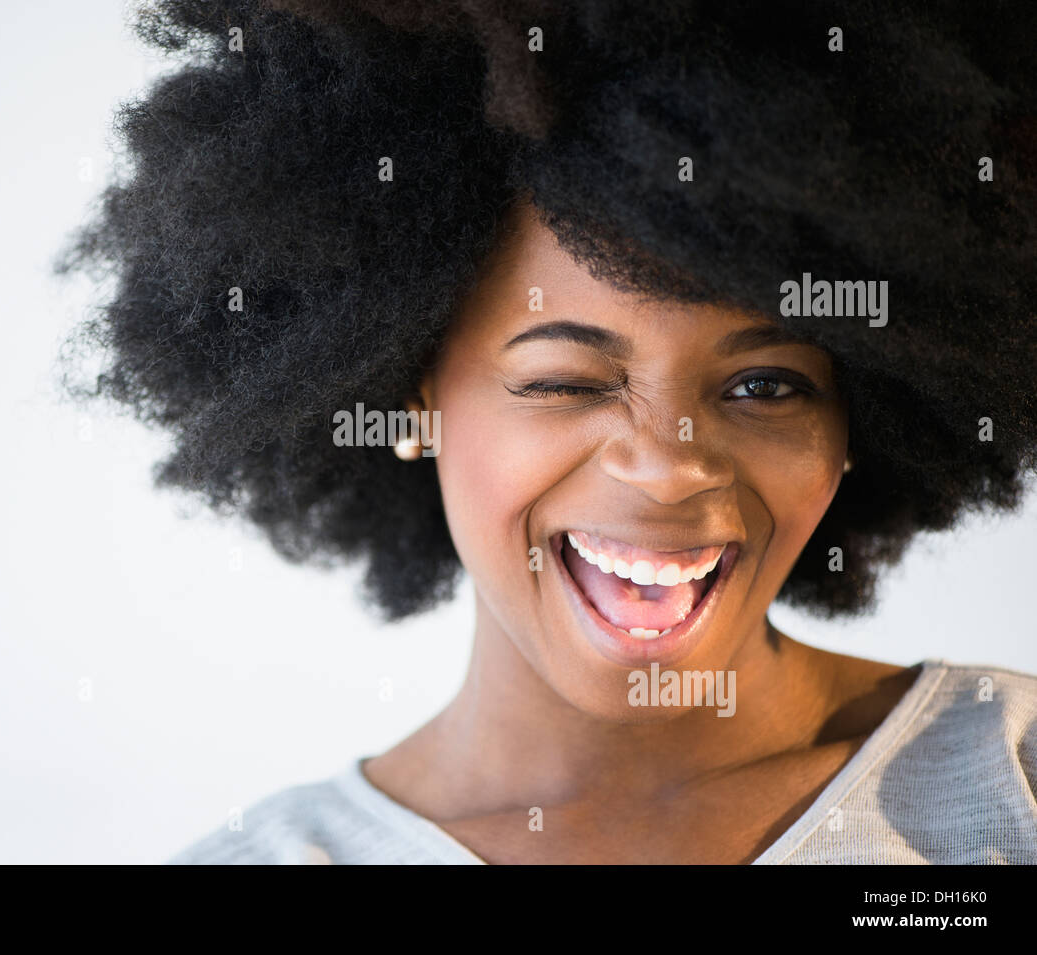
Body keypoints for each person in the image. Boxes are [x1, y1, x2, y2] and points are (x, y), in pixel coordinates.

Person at [58, 0, 1037, 863]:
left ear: (865, 409)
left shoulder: (1010, 775)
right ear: (408, 393)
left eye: (765, 384)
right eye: (564, 380)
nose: (664, 463)